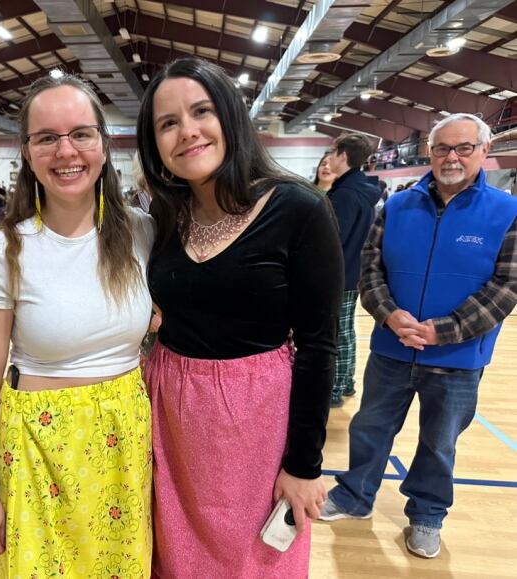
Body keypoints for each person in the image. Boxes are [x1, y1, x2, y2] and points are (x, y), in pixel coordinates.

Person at [136, 57, 343, 578]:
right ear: (155, 144)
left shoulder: (299, 208)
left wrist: (304, 465)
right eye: (168, 123)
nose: (187, 132)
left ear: (229, 116)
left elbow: (320, 346)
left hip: (258, 418)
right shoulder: (164, 216)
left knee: (256, 559)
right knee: (175, 553)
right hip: (171, 412)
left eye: (200, 111)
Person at [0, 72, 154, 578]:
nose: (65, 151)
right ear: (27, 152)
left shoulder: (142, 232)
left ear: (103, 143)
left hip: (124, 440)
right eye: (46, 138)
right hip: (37, 448)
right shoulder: (6, 250)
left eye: (80, 134)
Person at [320, 113, 517, 559]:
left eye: (464, 148)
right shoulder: (396, 206)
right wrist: (389, 316)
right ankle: (354, 495)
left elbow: (506, 287)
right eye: (442, 148)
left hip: (458, 358)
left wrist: (441, 331)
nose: (452, 157)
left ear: (484, 152)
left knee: (439, 442)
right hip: (392, 347)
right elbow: (370, 269)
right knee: (370, 426)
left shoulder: (508, 213)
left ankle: (427, 515)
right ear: (429, 152)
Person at [325, 134, 381, 407]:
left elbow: (332, 238)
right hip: (351, 269)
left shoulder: (346, 195)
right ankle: (346, 382)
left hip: (342, 272)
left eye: (332, 153)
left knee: (338, 332)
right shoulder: (358, 189)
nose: (329, 158)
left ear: (343, 155)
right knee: (345, 330)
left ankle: (336, 387)